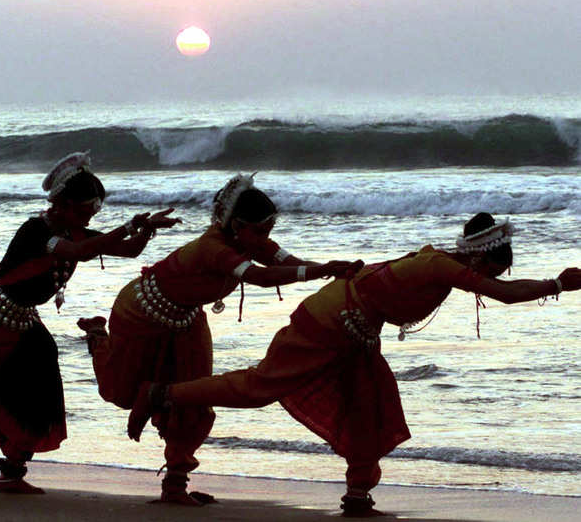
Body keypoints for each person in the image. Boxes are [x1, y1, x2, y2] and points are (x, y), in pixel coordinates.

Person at [126, 212, 581, 517]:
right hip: (328, 320)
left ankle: (358, 496)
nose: (490, 279)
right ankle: (162, 393)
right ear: (483, 256)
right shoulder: (442, 266)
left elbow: (492, 288)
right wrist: (557, 283)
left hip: (355, 330)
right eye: (493, 269)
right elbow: (503, 294)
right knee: (259, 389)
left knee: (371, 405)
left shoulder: (442, 262)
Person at [0, 151, 180, 494]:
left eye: (95, 210)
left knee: (41, 392)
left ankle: (12, 471)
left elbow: (129, 251)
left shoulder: (74, 230)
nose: (91, 216)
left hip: (21, 322)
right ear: (62, 204)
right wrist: (130, 224)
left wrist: (146, 231)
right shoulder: (37, 231)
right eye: (86, 209)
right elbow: (79, 252)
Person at [78, 173, 362, 506]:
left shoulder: (251, 241)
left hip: (185, 319)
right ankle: (99, 337)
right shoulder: (213, 248)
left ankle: (175, 484)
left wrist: (331, 271)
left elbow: (285, 262)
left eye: (268, 231)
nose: (264, 239)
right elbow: (260, 276)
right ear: (236, 225)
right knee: (121, 392)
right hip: (140, 311)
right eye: (259, 231)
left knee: (195, 397)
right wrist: (319, 271)